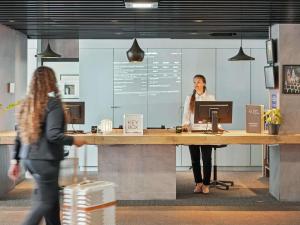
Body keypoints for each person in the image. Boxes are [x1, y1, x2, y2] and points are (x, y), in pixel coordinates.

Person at [8, 66, 86, 225]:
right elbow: (53, 135)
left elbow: (19, 135)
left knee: (51, 202)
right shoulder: (53, 104)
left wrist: (14, 161)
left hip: (29, 160)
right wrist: (74, 140)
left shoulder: (27, 104)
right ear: (51, 81)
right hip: (45, 160)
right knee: (45, 203)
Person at [182, 74, 220, 194]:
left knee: (207, 159)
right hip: (193, 132)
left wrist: (218, 127)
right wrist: (185, 125)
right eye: (194, 82)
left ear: (204, 83)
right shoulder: (189, 98)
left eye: (198, 82)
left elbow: (215, 115)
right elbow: (186, 115)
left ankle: (206, 184)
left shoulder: (210, 97)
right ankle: (198, 183)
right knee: (195, 160)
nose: (196, 84)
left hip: (206, 132)